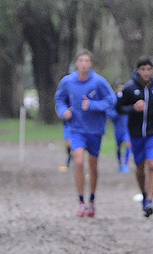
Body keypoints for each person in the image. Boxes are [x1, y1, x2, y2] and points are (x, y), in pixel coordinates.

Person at [55, 50, 117, 217]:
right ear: (77, 63)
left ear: (90, 64)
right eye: (81, 60)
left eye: (87, 61)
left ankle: (92, 200)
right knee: (79, 162)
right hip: (76, 129)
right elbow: (60, 99)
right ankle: (81, 201)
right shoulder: (68, 82)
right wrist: (63, 111)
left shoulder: (99, 82)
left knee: (93, 166)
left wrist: (93, 105)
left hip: (95, 130)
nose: (83, 63)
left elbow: (111, 101)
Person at [116, 57, 153, 218]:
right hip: (136, 133)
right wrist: (133, 107)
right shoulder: (130, 88)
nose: (146, 73)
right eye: (143, 69)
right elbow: (119, 108)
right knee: (140, 167)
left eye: (149, 69)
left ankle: (150, 201)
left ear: (152, 71)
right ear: (138, 71)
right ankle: (144, 195)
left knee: (152, 165)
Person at [108, 83, 131, 173]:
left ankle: (126, 164)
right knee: (119, 146)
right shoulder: (114, 100)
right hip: (118, 127)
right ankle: (120, 163)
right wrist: (117, 114)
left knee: (128, 144)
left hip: (127, 127)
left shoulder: (128, 100)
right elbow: (109, 112)